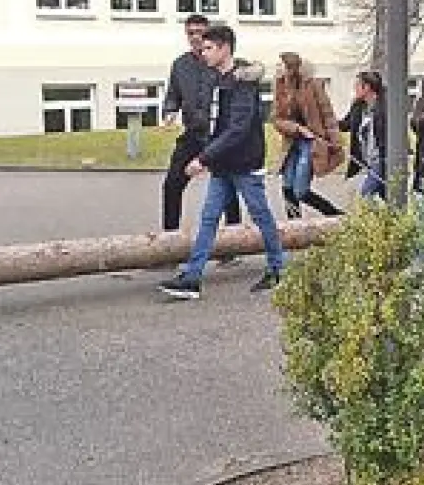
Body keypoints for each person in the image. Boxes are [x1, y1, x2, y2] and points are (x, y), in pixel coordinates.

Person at [158, 25, 285, 300]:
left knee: (261, 216)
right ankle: (192, 278)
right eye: (202, 48)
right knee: (208, 218)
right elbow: (216, 123)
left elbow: (237, 129)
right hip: (223, 164)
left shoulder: (242, 83)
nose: (203, 53)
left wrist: (203, 158)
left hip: (244, 163)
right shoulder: (218, 79)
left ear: (225, 48)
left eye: (208, 48)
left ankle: (278, 269)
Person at [161, 14, 241, 234]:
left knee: (226, 186)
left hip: (217, 134)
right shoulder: (180, 65)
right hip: (193, 134)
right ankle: (170, 239)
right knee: (172, 184)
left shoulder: (219, 63)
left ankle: (233, 238)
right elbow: (173, 95)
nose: (195, 37)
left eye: (199, 33)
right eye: (190, 33)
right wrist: (169, 111)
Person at [272, 52, 344, 218]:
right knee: (287, 187)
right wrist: (297, 129)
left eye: (280, 65)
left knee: (301, 190)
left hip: (311, 143)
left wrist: (335, 142)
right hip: (292, 142)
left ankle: (335, 215)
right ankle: (295, 226)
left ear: (291, 68)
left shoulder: (313, 85)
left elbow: (328, 114)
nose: (277, 69)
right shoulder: (279, 86)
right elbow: (277, 119)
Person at [340, 72, 388, 200]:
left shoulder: (385, 107)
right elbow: (345, 124)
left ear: (366, 87)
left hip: (381, 159)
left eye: (357, 85)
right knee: (387, 197)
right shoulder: (358, 107)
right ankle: (386, 218)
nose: (354, 88)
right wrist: (324, 123)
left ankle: (373, 219)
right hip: (368, 161)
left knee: (365, 195)